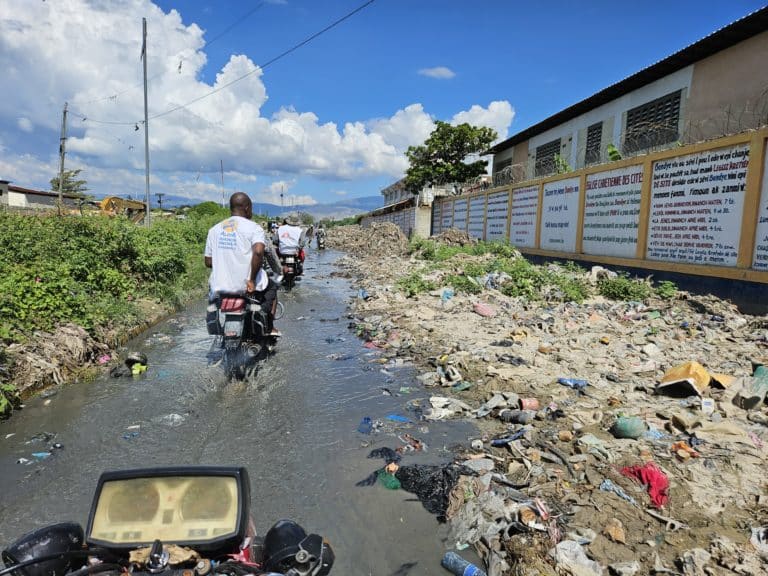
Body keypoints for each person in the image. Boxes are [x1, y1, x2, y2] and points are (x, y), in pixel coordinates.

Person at [204, 192, 280, 336]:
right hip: (246, 287)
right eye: (251, 208)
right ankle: (268, 327)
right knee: (272, 288)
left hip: (220, 287)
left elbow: (208, 262)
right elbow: (258, 252)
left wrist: (225, 262)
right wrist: (251, 279)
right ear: (247, 207)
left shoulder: (214, 230)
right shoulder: (254, 228)